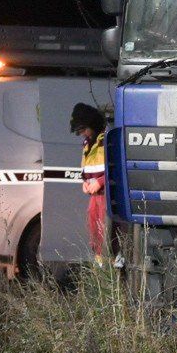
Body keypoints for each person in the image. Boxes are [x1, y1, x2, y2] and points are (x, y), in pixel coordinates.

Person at [71, 103, 108, 259]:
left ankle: (107, 264)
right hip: (95, 195)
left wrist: (100, 182)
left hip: (106, 194)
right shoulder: (88, 143)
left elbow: (116, 168)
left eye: (83, 129)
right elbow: (86, 168)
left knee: (106, 232)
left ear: (91, 124)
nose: (81, 134)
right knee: (94, 230)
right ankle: (99, 263)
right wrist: (85, 182)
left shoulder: (105, 140)